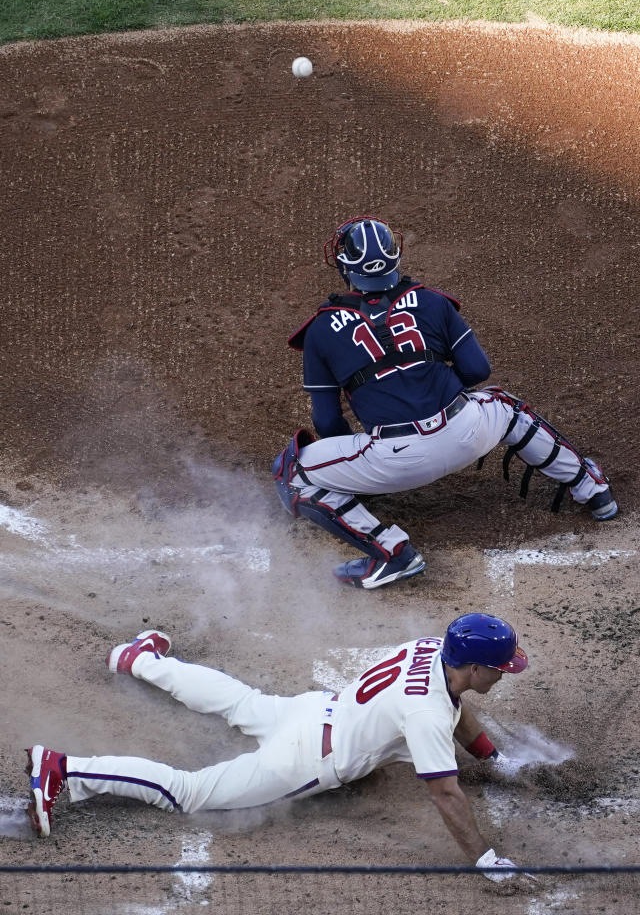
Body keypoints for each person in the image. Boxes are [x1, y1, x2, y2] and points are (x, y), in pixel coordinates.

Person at [27, 613, 534, 883]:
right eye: (500, 667)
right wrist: (485, 861)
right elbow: (445, 795)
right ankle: (65, 770)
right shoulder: (427, 711)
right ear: (473, 667)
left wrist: (492, 757)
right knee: (190, 792)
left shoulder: (433, 649)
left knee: (241, 702)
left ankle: (139, 660)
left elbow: (455, 708)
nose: (503, 673)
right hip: (301, 761)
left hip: (314, 711)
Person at [273, 216, 617, 589]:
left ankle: (392, 553)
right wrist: (441, 393)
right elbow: (477, 369)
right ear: (394, 256)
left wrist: (361, 476)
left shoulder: (321, 330)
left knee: (292, 472)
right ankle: (593, 489)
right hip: (468, 432)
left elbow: (327, 422)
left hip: (394, 460)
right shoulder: (434, 301)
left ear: (344, 266)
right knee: (505, 407)